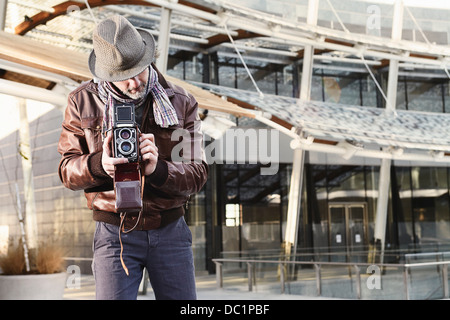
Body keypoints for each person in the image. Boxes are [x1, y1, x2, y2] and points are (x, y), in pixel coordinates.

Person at [58, 15, 208, 300]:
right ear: (105, 74)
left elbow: (197, 174)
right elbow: (67, 170)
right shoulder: (82, 101)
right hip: (114, 231)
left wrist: (159, 169)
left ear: (149, 59)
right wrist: (97, 164)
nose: (133, 82)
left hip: (170, 229)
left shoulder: (181, 101)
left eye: (138, 70)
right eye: (121, 76)